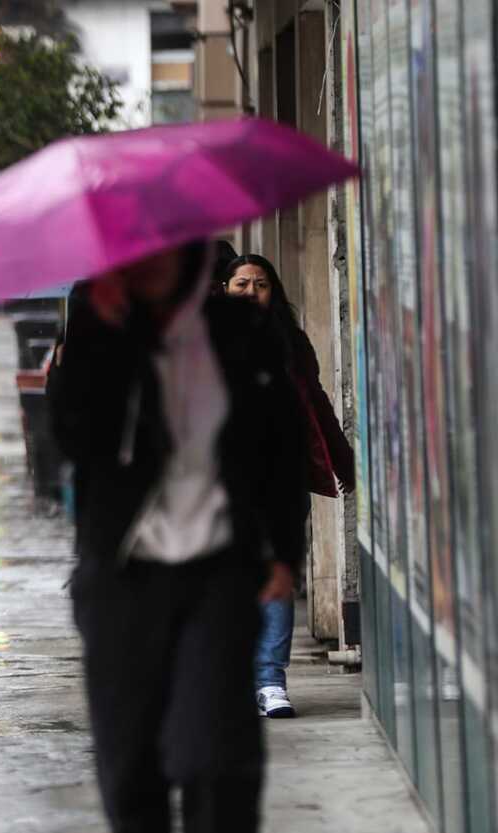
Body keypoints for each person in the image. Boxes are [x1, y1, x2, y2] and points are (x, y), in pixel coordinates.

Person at [47, 241, 307, 833]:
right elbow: (73, 441)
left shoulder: (241, 329)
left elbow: (281, 445)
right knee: (131, 755)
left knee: (218, 752)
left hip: (219, 567)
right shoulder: (99, 323)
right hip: (124, 574)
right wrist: (96, 350)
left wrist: (285, 553)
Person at [224, 253, 355, 718]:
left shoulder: (291, 345)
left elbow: (315, 403)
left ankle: (269, 681)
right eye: (241, 284)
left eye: (259, 284)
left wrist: (342, 460)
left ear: (273, 292)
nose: (250, 292)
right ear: (225, 290)